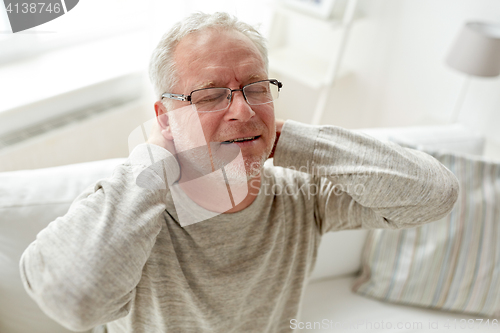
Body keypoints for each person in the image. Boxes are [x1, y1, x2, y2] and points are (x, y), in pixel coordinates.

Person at [19, 12, 459, 333]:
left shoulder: (301, 195)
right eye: (211, 95)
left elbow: (435, 194)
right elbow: (74, 303)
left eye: (257, 88)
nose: (245, 110)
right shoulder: (129, 206)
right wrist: (153, 161)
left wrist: (281, 139)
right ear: (166, 117)